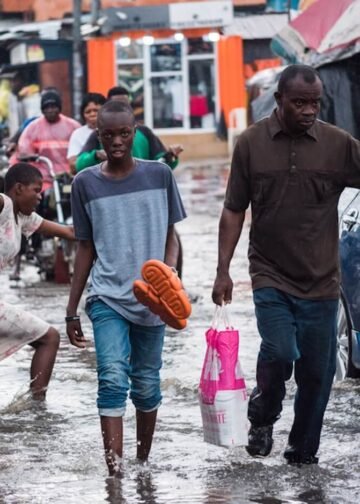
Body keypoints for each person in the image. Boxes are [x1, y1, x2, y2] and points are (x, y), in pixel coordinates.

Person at [212, 64, 360, 465]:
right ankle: (262, 415)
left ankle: (302, 452)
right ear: (278, 100)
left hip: (323, 281)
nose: (309, 110)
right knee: (279, 351)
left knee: (317, 374)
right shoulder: (250, 144)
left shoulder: (338, 144)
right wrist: (223, 269)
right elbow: (232, 209)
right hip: (270, 273)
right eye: (300, 103)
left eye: (315, 103)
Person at [65, 100, 186, 475]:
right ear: (97, 136)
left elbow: (172, 235)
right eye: (108, 135)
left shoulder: (160, 175)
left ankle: (143, 464)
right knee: (112, 378)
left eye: (124, 133)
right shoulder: (84, 183)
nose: (117, 141)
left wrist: (167, 275)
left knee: (147, 386)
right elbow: (85, 247)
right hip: (106, 298)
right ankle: (115, 475)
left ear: (135, 133)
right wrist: (71, 310)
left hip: (153, 299)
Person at [0, 162, 75, 399]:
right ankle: (37, 408)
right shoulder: (4, 204)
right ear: (19, 188)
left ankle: (36, 409)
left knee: (48, 337)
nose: (40, 196)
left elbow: (70, 232)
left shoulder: (23, 217)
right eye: (36, 189)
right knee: (50, 337)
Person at [75, 86, 183, 173]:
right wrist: (96, 155)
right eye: (117, 105)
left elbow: (161, 164)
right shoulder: (101, 133)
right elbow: (79, 165)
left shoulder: (144, 132)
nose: (118, 141)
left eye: (125, 133)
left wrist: (171, 155)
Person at [15, 90, 80, 191]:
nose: (50, 110)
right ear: (42, 109)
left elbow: (82, 149)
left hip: (70, 177)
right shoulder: (33, 128)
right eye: (47, 107)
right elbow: (24, 150)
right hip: (44, 179)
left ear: (59, 108)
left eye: (53, 106)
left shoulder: (73, 126)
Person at [67, 92, 106, 174]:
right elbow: (73, 166)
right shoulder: (78, 134)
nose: (92, 114)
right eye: (88, 112)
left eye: (96, 110)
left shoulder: (114, 130)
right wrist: (94, 157)